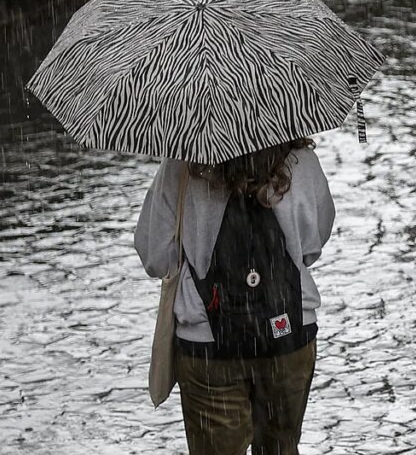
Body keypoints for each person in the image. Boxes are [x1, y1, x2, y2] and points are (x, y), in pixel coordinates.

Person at [134, 138, 334, 455]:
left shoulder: (182, 167)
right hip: (289, 332)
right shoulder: (301, 161)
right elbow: (312, 247)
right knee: (281, 447)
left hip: (208, 345)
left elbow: (155, 257)